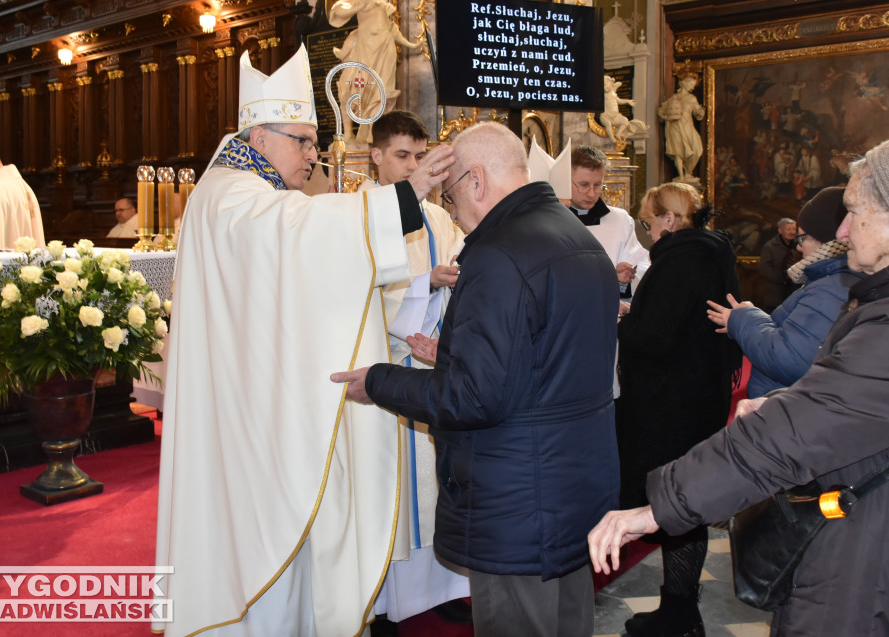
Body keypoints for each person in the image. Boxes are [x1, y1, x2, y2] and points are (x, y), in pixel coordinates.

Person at [589, 130, 889, 637]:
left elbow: (793, 437)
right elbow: (879, 408)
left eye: (854, 210)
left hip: (887, 575)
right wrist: (785, 399)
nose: (841, 231)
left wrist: (657, 509)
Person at [152, 44, 455, 637]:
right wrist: (404, 194)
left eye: (315, 142)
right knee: (259, 526)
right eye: (303, 141)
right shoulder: (233, 196)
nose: (314, 155)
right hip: (243, 411)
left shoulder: (248, 192)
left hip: (250, 391)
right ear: (259, 136)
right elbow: (299, 235)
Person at [332, 122, 620, 637]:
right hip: (574, 487)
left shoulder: (497, 254)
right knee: (567, 624)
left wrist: (378, 381)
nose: (455, 210)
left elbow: (471, 399)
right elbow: (550, 360)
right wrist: (460, 353)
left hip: (518, 500)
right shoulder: (576, 235)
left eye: (451, 191)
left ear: (477, 181)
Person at [614, 182, 741, 637]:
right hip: (697, 393)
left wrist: (623, 322)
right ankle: (680, 609)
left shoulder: (681, 257)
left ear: (670, 219)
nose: (648, 233)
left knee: (676, 503)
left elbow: (655, 337)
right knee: (686, 500)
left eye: (649, 223)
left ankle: (680, 615)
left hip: (670, 403)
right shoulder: (712, 248)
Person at [362, 110, 471, 629]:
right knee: (389, 491)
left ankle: (439, 586)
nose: (410, 167)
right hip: (384, 364)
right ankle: (382, 600)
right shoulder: (357, 212)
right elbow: (356, 291)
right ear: (376, 155)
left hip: (431, 362)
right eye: (401, 156)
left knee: (434, 480)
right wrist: (427, 283)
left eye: (418, 157)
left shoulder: (440, 217)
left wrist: (446, 305)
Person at [706, 186, 866, 398]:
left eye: (802, 239)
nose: (799, 248)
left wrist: (742, 318)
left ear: (825, 239)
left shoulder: (832, 287)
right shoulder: (834, 280)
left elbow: (789, 360)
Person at [328, 0, 419, 146]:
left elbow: (392, 29)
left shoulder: (383, 5)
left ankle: (374, 132)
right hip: (366, 48)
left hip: (385, 48)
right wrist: (357, 7)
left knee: (382, 90)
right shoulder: (356, 2)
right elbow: (338, 12)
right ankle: (352, 133)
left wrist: (413, 45)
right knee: (353, 88)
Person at [566, 145, 651, 300]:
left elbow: (641, 268)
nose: (592, 193)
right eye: (584, 185)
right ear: (565, 180)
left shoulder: (620, 220)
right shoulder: (553, 222)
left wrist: (623, 277)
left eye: (598, 185)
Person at [657, 72, 705, 183]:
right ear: (684, 83)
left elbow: (697, 113)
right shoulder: (674, 98)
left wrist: (700, 112)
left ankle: (688, 172)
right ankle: (681, 175)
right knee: (678, 151)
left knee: (697, 150)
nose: (692, 87)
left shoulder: (692, 98)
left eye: (693, 85)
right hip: (675, 127)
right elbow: (661, 111)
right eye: (691, 84)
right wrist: (667, 118)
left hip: (688, 127)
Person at [758, 217, 800, 312]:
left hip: (795, 292)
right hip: (776, 294)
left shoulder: (799, 246)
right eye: (788, 229)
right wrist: (783, 278)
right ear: (780, 230)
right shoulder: (769, 246)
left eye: (794, 229)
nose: (792, 232)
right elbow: (764, 268)